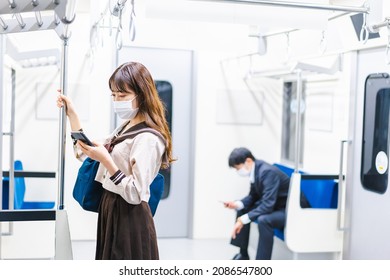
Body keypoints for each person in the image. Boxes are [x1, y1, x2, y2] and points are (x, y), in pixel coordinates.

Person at [57, 61, 174, 260]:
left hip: (130, 215)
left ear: (142, 95)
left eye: (123, 95)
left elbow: (136, 193)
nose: (117, 100)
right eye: (113, 95)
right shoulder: (125, 127)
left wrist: (108, 162)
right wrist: (72, 114)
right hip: (111, 208)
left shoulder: (148, 139)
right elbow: (86, 152)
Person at [223, 147, 290, 260]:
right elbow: (253, 196)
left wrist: (242, 220)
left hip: (287, 210)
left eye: (238, 168)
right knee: (242, 209)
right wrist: (238, 204)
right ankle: (243, 255)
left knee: (264, 220)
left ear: (248, 161)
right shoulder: (256, 171)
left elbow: (267, 205)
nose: (238, 171)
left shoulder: (266, 172)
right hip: (275, 206)